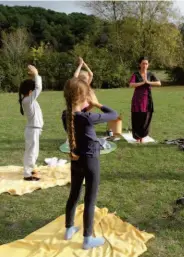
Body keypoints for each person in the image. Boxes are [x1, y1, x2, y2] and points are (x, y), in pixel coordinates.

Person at [62, 78, 118, 249]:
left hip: (76, 159)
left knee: (74, 194)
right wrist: (97, 103)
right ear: (82, 96)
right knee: (90, 199)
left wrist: (88, 106)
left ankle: (69, 229)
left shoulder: (67, 115)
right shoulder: (86, 118)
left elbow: (79, 116)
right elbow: (114, 114)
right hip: (90, 160)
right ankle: (87, 239)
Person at [18, 65, 43, 181]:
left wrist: (34, 76)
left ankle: (31, 168)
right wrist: (36, 74)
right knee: (31, 152)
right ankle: (27, 174)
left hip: (34, 129)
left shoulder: (28, 100)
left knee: (34, 151)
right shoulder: (28, 100)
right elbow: (38, 88)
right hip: (32, 130)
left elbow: (35, 88)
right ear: (29, 91)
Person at [129, 57, 161, 143]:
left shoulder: (150, 74)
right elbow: (131, 84)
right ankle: (137, 137)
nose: (144, 65)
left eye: (146, 64)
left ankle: (142, 137)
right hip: (137, 99)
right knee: (136, 117)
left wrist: (148, 82)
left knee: (146, 118)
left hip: (147, 99)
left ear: (148, 65)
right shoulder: (136, 74)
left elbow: (159, 83)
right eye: (143, 63)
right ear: (140, 64)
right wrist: (142, 83)